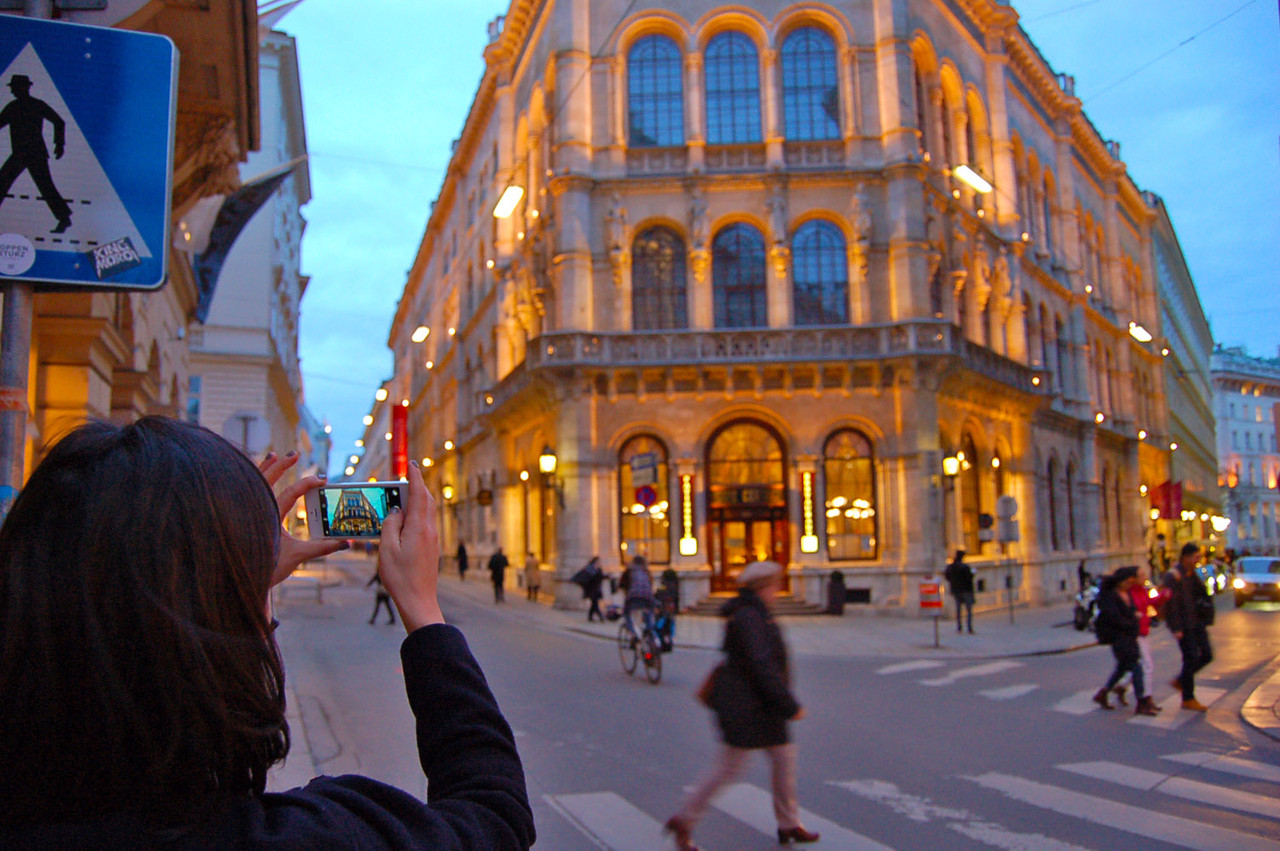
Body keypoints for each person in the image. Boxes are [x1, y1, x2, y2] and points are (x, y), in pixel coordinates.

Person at [0, 417, 535, 849]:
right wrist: (423, 611)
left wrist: (238, 574)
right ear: (215, 650)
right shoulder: (318, 836)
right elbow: (493, 813)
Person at [665, 561, 818, 850]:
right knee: (730, 767)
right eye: (773, 585)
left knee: (784, 759)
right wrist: (788, 704)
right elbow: (760, 665)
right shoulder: (749, 615)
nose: (776, 590)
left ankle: (789, 823)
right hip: (747, 705)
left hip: (760, 703)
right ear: (762, 587)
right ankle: (684, 820)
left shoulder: (753, 612)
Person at [0, 74, 73, 233]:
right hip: (23, 153)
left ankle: (64, 219)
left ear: (22, 88)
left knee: (45, 186)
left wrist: (59, 144)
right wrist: (58, 145)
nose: (12, 91)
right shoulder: (14, 107)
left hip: (33, 153)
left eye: (14, 88)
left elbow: (59, 121)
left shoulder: (30, 105)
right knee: (3, 181)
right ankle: (64, 218)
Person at [1092, 566, 1157, 715]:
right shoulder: (1109, 596)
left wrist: (1135, 618)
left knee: (1122, 668)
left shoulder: (1126, 593)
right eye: (1127, 582)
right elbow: (1114, 617)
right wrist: (1133, 619)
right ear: (1120, 581)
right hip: (1118, 637)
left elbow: (1133, 610)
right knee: (1137, 667)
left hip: (1130, 636)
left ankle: (1103, 693)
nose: (1129, 585)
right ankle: (1141, 702)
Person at [1162, 542, 1214, 711]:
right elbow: (1171, 604)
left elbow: (1201, 594)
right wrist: (1175, 627)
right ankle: (1188, 697)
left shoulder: (1192, 574)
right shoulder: (1174, 575)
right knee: (1190, 657)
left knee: (1206, 654)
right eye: (1196, 557)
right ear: (1186, 557)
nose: (1198, 560)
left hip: (1196, 621)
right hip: (1184, 624)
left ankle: (1181, 680)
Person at [1126, 566, 1161, 714]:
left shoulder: (1142, 591)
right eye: (1140, 575)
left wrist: (1164, 595)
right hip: (1135, 633)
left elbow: (1150, 604)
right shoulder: (1130, 593)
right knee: (1147, 665)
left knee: (1135, 666)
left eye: (1144, 574)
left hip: (1143, 631)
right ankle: (1146, 698)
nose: (1144, 576)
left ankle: (1119, 686)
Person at [620, 554, 655, 638]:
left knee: (626, 613)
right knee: (649, 612)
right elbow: (650, 584)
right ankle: (649, 630)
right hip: (647, 597)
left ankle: (633, 633)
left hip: (633, 597)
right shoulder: (646, 571)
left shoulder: (629, 570)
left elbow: (622, 584)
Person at [944, 549, 975, 634]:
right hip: (966, 590)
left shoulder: (950, 566)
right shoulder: (965, 567)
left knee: (958, 609)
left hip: (955, 590)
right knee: (968, 610)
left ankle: (959, 627)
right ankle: (969, 627)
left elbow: (947, 576)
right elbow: (970, 578)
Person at [581, 556, 606, 622]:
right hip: (592, 589)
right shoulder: (591, 569)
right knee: (595, 604)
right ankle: (601, 617)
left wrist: (607, 576)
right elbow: (589, 578)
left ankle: (590, 617)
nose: (599, 563)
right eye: (598, 561)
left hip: (597, 589)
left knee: (594, 603)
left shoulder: (598, 569)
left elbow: (601, 577)